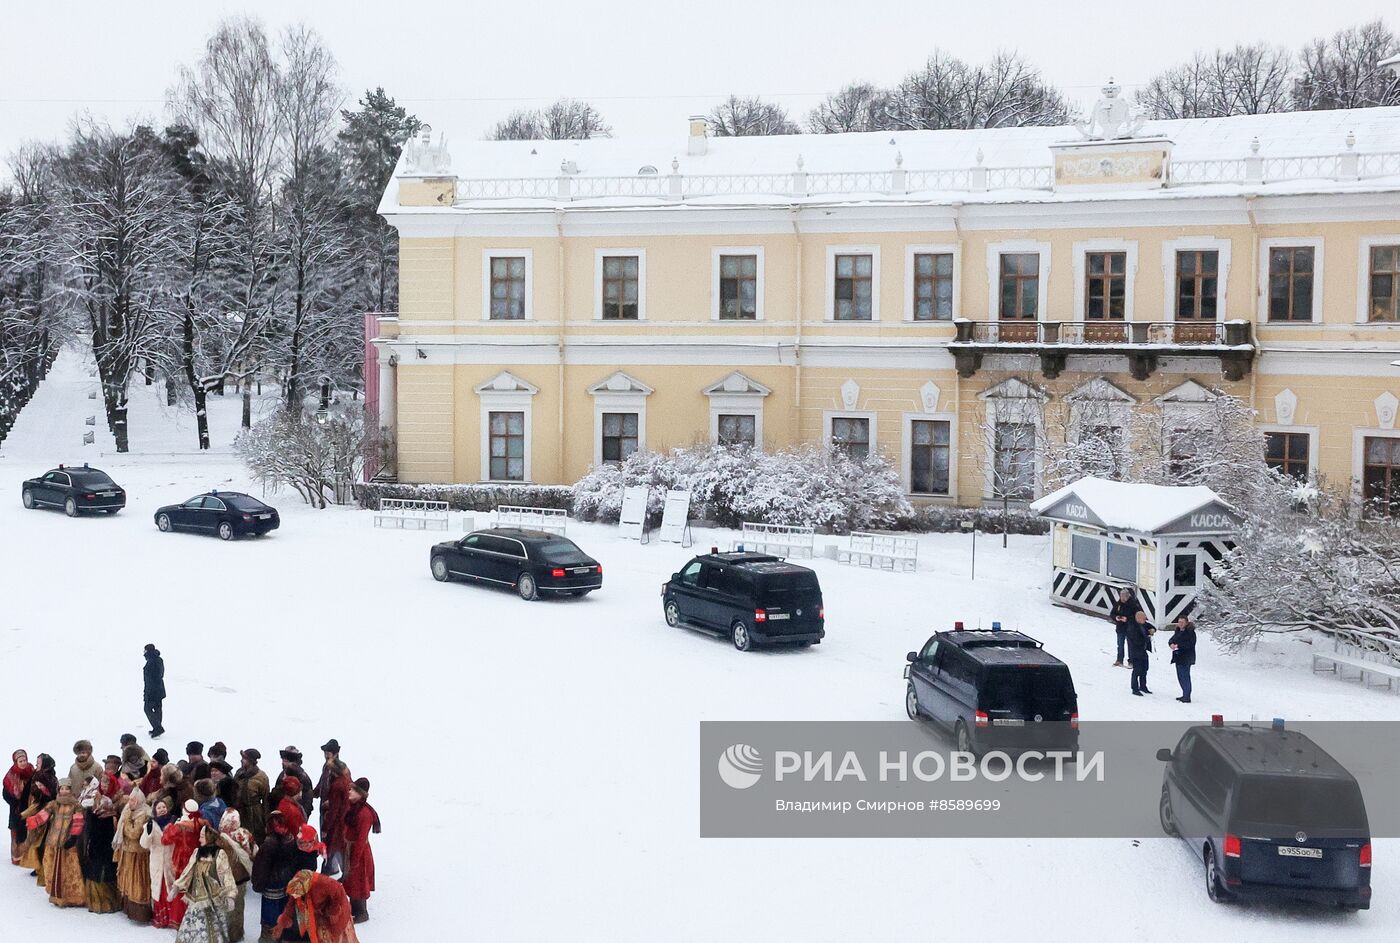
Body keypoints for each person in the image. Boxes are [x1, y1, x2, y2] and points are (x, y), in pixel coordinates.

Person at [173, 825, 237, 943]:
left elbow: (226, 874)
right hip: (197, 896)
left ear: (208, 837)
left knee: (213, 922)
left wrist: (230, 895)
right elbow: (188, 871)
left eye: (202, 837)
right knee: (194, 922)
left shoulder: (219, 853)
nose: (199, 840)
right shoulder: (197, 851)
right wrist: (177, 885)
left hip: (212, 896)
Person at [32, 778, 85, 907]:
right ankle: (55, 894)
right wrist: (33, 822)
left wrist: (73, 837)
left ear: (71, 790)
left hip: (67, 843)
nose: (64, 791)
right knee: (51, 867)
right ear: (58, 790)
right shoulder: (54, 804)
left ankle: (71, 897)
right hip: (53, 841)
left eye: (67, 788)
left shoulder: (76, 805)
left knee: (69, 870)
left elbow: (78, 822)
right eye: (62, 788)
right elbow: (43, 815)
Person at [252, 811, 302, 942]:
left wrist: (257, 885)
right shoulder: (291, 839)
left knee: (270, 916)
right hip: (285, 883)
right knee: (283, 911)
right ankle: (281, 936)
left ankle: (269, 938)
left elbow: (261, 868)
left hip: (271, 886)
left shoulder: (269, 844)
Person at [271, 870, 360, 943]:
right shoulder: (298, 884)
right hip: (320, 911)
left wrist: (333, 912)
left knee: (334, 936)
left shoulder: (324, 883)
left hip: (337, 913)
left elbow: (339, 893)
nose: (295, 896)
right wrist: (282, 923)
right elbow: (291, 904)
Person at [141, 796, 186, 928]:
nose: (162, 810)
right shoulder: (150, 824)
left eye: (164, 807)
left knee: (171, 889)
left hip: (170, 861)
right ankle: (161, 919)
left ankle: (173, 918)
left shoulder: (175, 822)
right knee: (159, 890)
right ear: (155, 810)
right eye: (159, 808)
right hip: (156, 862)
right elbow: (144, 844)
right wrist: (148, 832)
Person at [78, 783, 122, 913]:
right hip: (97, 850)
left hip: (103, 852)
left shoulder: (105, 818)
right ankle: (100, 903)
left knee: (102, 875)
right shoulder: (94, 815)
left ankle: (104, 904)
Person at [113, 787, 153, 923]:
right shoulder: (129, 811)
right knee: (127, 879)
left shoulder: (144, 813)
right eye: (129, 799)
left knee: (137, 881)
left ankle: (139, 913)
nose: (130, 802)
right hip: (127, 851)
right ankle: (127, 908)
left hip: (138, 853)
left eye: (133, 800)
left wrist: (126, 821)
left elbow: (134, 833)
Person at [312, 740, 351, 876]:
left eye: (328, 754)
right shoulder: (327, 766)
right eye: (325, 753)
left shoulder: (342, 773)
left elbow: (346, 792)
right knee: (328, 841)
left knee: (333, 840)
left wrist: (331, 802)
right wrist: (314, 792)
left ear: (336, 754)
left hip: (334, 813)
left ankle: (333, 868)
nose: (326, 756)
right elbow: (322, 781)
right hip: (325, 810)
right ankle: (332, 867)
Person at [341, 778, 378, 924]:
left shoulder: (364, 814)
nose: (349, 791)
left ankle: (361, 912)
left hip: (359, 853)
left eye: (353, 790)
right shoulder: (353, 807)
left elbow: (361, 839)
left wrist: (354, 860)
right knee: (351, 881)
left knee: (359, 882)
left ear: (361, 794)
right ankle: (354, 908)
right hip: (350, 849)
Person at [219, 809, 257, 943]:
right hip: (241, 878)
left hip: (226, 880)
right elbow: (254, 852)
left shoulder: (219, 839)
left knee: (226, 908)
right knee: (239, 906)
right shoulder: (244, 834)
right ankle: (237, 933)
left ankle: (227, 935)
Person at [17, 754, 58, 877]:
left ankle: (41, 867)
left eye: (38, 763)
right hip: (40, 811)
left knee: (40, 840)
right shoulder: (49, 777)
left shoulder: (43, 776)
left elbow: (45, 797)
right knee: (37, 840)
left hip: (44, 813)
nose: (36, 765)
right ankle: (39, 866)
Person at [4, 748, 34, 864]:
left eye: (25, 760)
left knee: (29, 833)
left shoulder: (32, 770)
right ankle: (17, 857)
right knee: (16, 833)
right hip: (16, 809)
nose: (23, 763)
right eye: (20, 761)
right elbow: (5, 794)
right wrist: (15, 803)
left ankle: (28, 858)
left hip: (30, 808)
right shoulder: (11, 775)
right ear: (16, 762)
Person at [235, 748, 271, 844]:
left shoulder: (261, 777)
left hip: (254, 814)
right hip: (239, 811)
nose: (241, 760)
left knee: (255, 839)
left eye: (244, 758)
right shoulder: (239, 773)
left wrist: (266, 821)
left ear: (251, 761)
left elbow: (266, 800)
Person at [275, 748, 314, 819]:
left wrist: (304, 813)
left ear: (292, 763)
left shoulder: (302, 778)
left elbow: (308, 799)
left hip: (297, 815)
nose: (282, 763)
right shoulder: (282, 775)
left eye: (285, 761)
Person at [1108, 587, 1140, 667]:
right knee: (1120, 644)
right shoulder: (1118, 604)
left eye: (1123, 597)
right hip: (1120, 627)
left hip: (1130, 628)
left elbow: (1137, 616)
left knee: (1131, 645)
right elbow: (1112, 613)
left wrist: (1127, 619)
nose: (1122, 598)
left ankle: (1131, 661)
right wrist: (1116, 617)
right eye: (1121, 596)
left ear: (1127, 596)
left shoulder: (1133, 605)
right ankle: (1119, 660)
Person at [1169, 614, 1198, 704]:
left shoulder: (1190, 632)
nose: (1180, 624)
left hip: (1186, 657)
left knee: (1185, 677)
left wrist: (1178, 646)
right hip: (1178, 657)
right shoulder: (1178, 631)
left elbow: (1190, 644)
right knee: (1180, 677)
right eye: (1179, 622)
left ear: (1186, 623)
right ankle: (1184, 694)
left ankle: (1187, 696)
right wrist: (1171, 644)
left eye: (1182, 622)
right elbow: (1172, 640)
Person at [1127, 609, 1154, 696]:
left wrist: (1152, 630)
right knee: (1137, 670)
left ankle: (1143, 686)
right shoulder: (1132, 627)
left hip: (1143, 651)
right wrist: (1147, 637)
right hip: (1135, 651)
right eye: (1144, 618)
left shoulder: (1144, 624)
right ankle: (1134, 688)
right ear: (1138, 618)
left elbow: (1152, 627)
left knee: (1144, 669)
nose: (1145, 619)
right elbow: (1136, 641)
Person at [144, 643, 166, 737]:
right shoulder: (159, 659)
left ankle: (158, 728)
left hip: (152, 690)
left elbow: (150, 679)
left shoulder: (151, 662)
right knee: (157, 708)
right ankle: (157, 728)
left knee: (147, 709)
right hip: (160, 689)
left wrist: (147, 692)